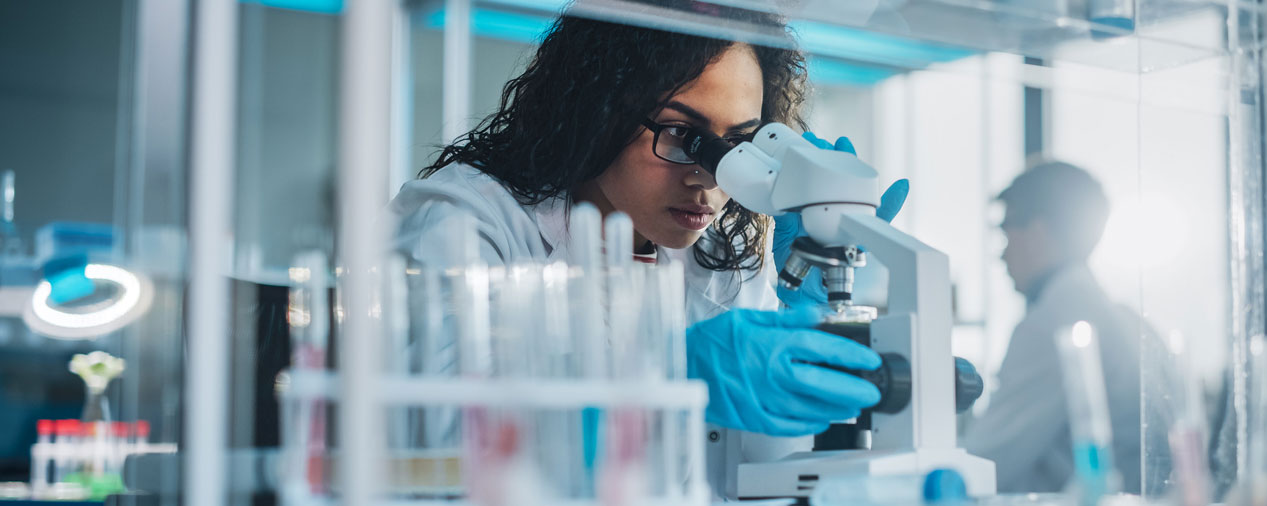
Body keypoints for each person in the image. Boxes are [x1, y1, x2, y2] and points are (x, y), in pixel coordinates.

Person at [386, 2, 909, 498]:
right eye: (683, 133)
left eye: (739, 145)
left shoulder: (722, 258)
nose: (707, 178)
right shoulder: (467, 219)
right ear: (596, 109)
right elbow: (444, 446)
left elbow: (764, 471)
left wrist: (808, 319)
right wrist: (671, 374)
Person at [960, 160, 1147, 493]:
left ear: (1037, 232)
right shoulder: (1115, 314)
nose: (1001, 255)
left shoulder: (1055, 322)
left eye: (1006, 231)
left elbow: (984, 464)